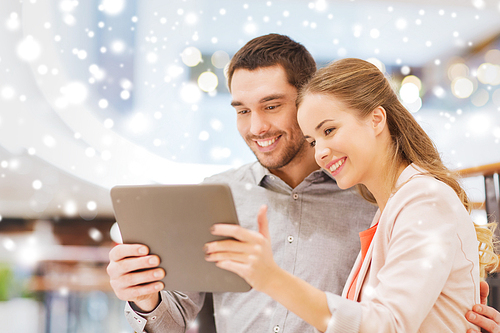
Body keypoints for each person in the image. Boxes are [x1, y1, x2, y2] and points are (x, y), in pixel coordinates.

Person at [107, 33, 500, 332]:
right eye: (242, 110)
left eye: (272, 106)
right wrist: (145, 298)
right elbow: (177, 320)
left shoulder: (377, 199)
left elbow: (387, 321)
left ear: (307, 99)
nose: (256, 126)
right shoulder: (216, 195)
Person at [203, 57, 499, 332]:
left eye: (329, 131)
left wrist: (271, 278)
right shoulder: (389, 208)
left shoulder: (424, 200)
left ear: (376, 119)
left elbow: (386, 324)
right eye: (312, 140)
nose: (320, 153)